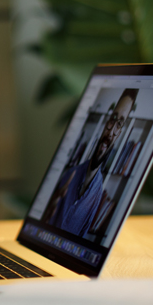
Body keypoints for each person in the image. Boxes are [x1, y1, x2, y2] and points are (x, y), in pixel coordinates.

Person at [45, 90, 137, 238]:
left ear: (120, 133)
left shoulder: (97, 195)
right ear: (106, 121)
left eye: (119, 124)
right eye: (113, 119)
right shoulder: (70, 174)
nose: (111, 130)